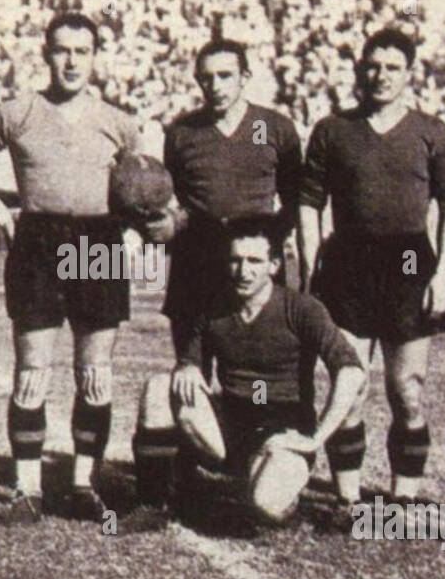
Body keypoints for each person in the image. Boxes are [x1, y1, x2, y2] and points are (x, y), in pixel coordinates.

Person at [0, 12, 143, 524]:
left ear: (94, 57)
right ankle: (27, 489)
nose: (71, 61)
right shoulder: (16, 112)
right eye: (62, 50)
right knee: (31, 374)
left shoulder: (119, 121)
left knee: (96, 374)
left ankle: (83, 483)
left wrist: (141, 223)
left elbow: (141, 186)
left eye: (81, 51)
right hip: (39, 240)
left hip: (99, 239)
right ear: (46, 54)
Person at [299, 28, 445, 512]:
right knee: (349, 385)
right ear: (359, 70)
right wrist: (312, 268)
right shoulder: (333, 130)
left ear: (409, 74)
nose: (381, 75)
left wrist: (444, 272)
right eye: (373, 65)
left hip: (409, 261)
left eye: (392, 67)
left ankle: (404, 496)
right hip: (347, 261)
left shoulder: (431, 130)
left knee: (406, 388)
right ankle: (348, 497)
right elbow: (308, 204)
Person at [128, 215, 366, 531]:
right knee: (160, 388)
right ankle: (154, 502)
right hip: (229, 428)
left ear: (274, 265)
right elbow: (190, 363)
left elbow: (351, 373)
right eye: (236, 260)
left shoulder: (302, 309)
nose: (244, 271)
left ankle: (278, 489)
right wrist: (186, 366)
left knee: (266, 505)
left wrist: (314, 439)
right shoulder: (213, 307)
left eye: (255, 261)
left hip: (281, 433)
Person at [161, 38, 303, 354]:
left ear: (245, 77)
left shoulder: (272, 127)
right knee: (192, 370)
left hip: (252, 263)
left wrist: (270, 241)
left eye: (225, 75)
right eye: (207, 77)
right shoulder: (182, 132)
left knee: (257, 367)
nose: (216, 85)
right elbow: (178, 200)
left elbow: (295, 200)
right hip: (196, 262)